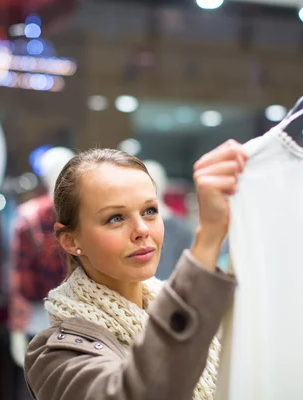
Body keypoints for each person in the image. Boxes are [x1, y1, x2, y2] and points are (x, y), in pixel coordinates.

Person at [24, 140, 247, 400]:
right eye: (115, 218)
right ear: (71, 240)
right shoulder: (56, 354)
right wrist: (208, 238)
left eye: (150, 211)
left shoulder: (199, 319)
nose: (142, 229)